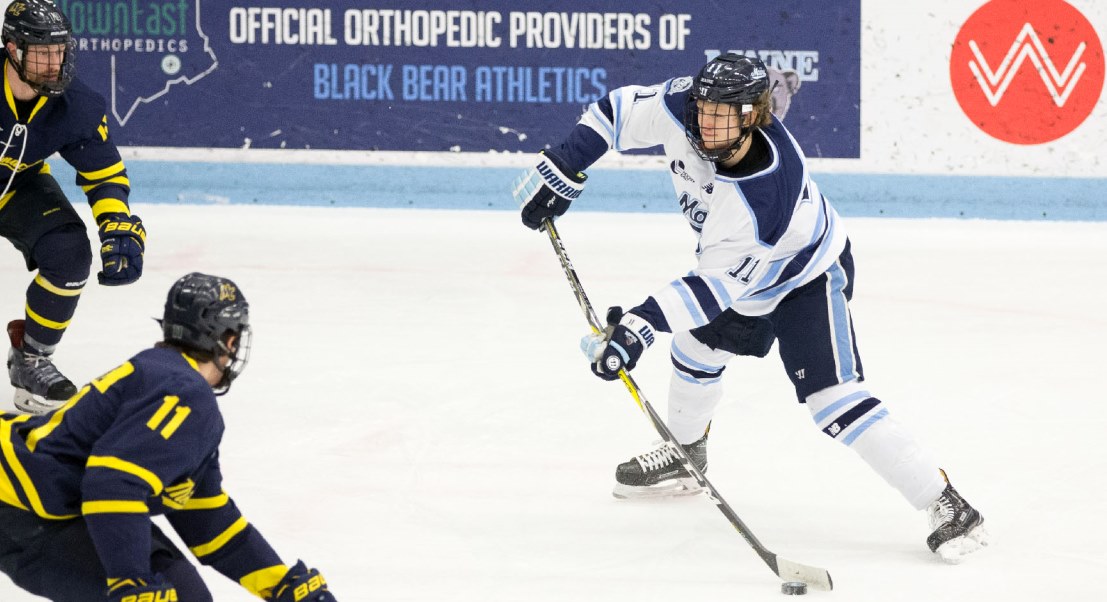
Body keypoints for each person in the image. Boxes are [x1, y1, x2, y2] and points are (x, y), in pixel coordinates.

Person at [512, 53, 988, 563]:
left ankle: (945, 501)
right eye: (703, 107)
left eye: (722, 114)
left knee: (833, 400)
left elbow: (710, 290)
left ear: (753, 117)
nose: (705, 122)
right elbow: (616, 112)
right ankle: (686, 453)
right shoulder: (681, 106)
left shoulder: (765, 192)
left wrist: (636, 328)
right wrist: (566, 165)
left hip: (804, 277)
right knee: (694, 349)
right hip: (739, 276)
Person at [0, 272, 337, 601]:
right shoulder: (186, 395)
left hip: (30, 495)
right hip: (24, 504)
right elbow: (113, 483)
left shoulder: (166, 376)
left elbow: (204, 515)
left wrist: (278, 583)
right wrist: (131, 580)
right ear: (227, 340)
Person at [0, 0, 146, 414]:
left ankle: (32, 360)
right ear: (12, 49)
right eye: (42, 53)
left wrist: (117, 224)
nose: (54, 64)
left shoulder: (76, 105)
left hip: (16, 186)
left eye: (59, 52)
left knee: (69, 252)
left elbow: (104, 175)